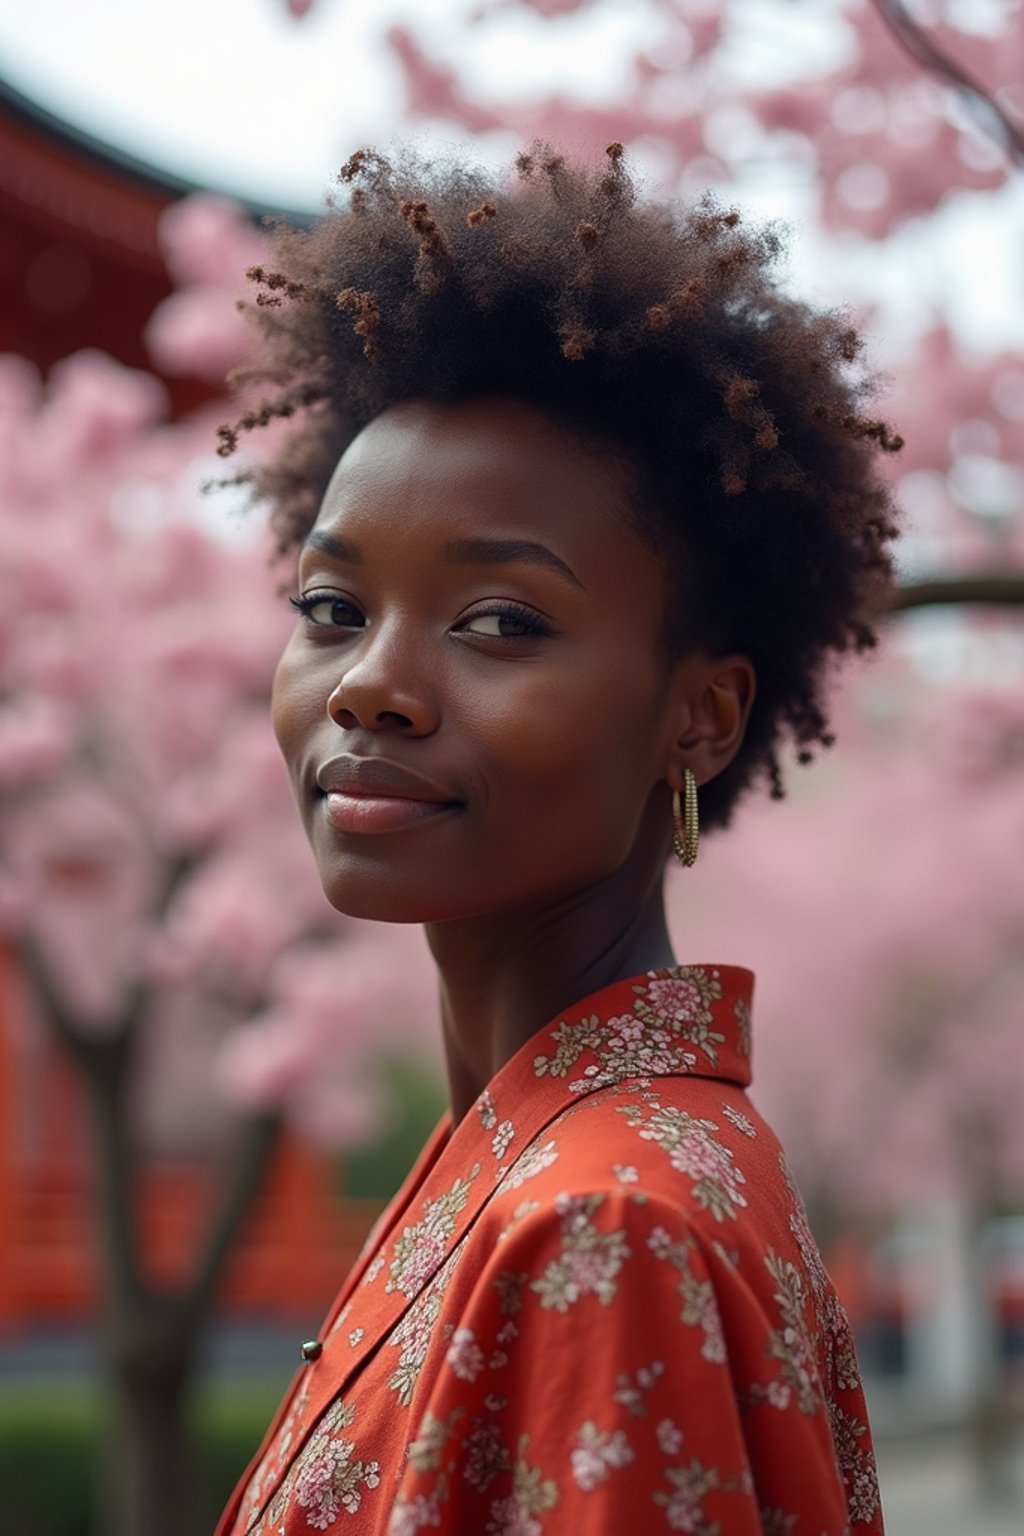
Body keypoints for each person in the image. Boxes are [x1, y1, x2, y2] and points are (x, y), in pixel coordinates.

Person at [214, 142, 901, 1536]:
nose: (366, 685)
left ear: (699, 717)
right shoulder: (574, 1153)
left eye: (500, 623)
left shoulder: (606, 1216)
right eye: (333, 609)